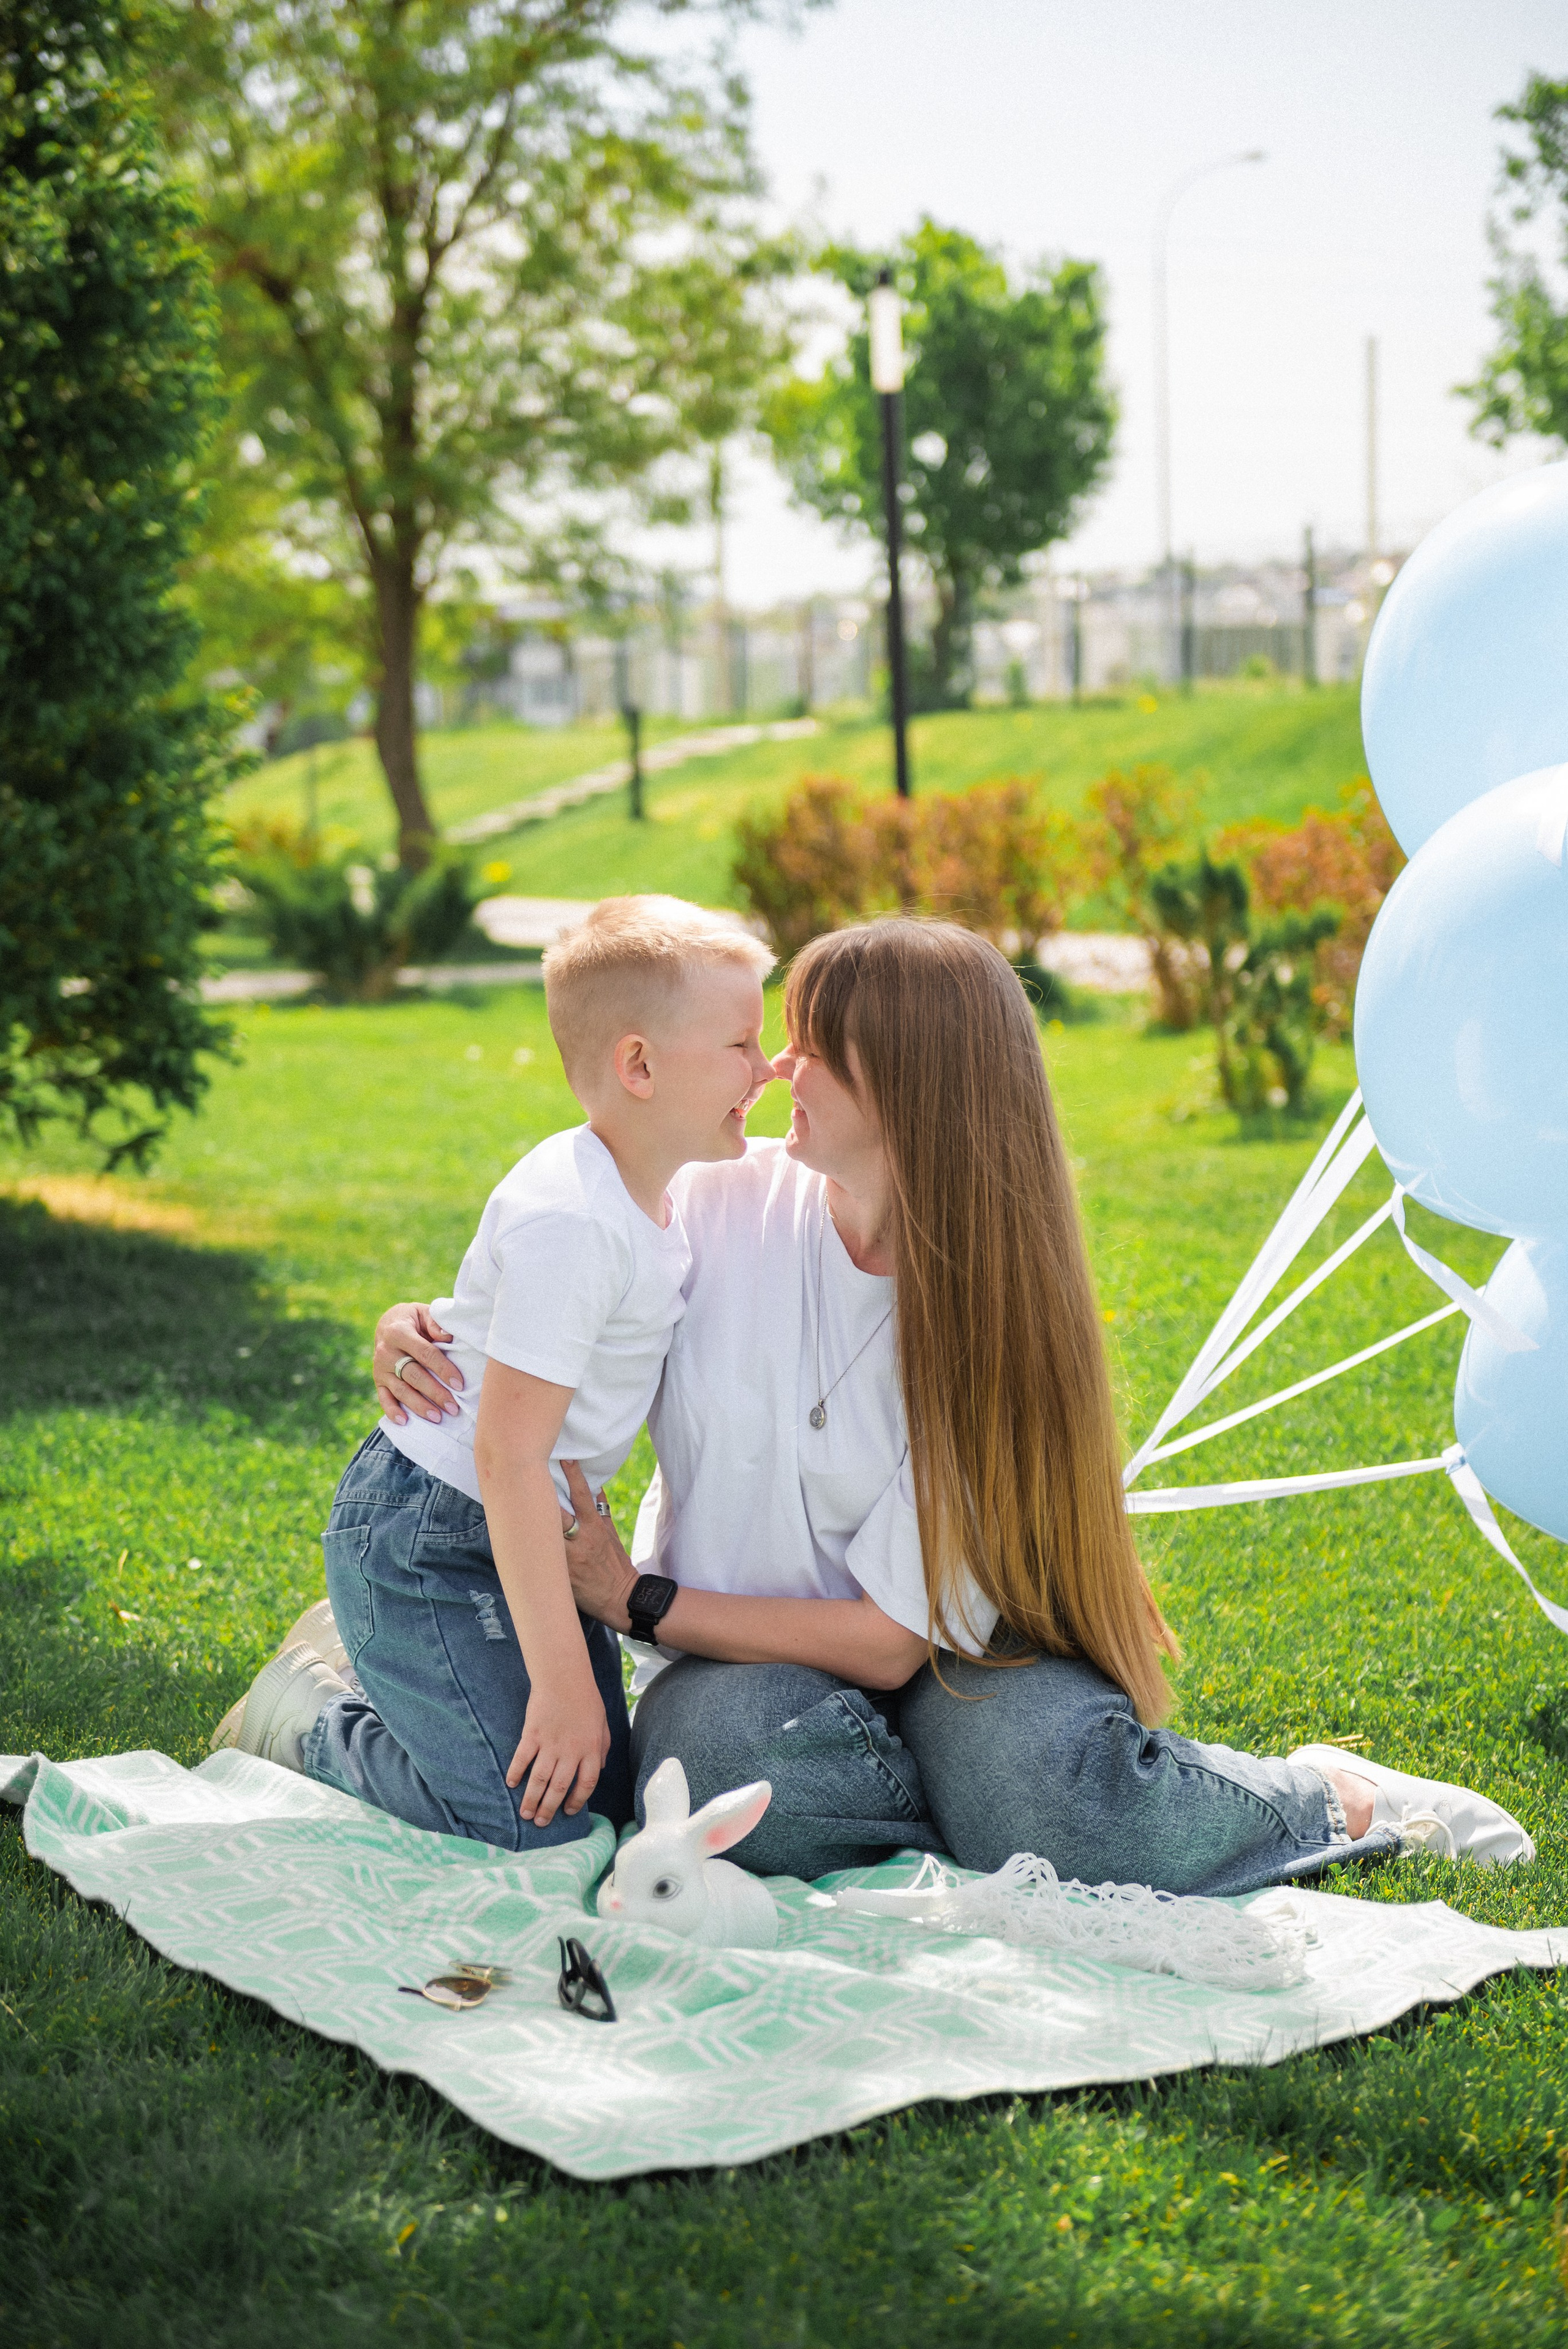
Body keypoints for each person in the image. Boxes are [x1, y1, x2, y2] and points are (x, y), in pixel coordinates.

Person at [375, 919, 1536, 1891]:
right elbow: (567, 1262)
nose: (776, 1072)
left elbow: (890, 1642)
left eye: (810, 1050)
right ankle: (1001, 1827)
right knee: (737, 1785)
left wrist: (635, 1597)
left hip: (951, 1663)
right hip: (733, 1673)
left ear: (909, 1090)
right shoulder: (716, 1194)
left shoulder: (997, 1325)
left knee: (1046, 1802)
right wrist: (426, 1330)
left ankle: (1324, 1799)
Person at [217, 895, 774, 1851]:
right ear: (637, 1065)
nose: (766, 1072)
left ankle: (430, 1696)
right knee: (536, 1828)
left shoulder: (659, 1186)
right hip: (434, 1530)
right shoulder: (576, 1219)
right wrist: (560, 1682)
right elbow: (509, 1456)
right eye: (742, 1046)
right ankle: (312, 1721)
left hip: (521, 1534)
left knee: (602, 1795)